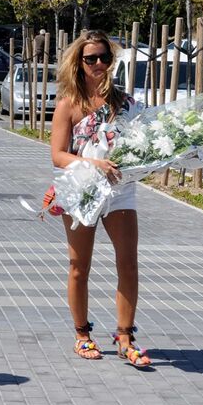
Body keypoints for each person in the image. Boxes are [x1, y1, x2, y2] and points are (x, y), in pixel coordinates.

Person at [50, 30, 151, 367]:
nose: (98, 64)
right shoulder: (68, 104)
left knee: (129, 262)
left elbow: (141, 144)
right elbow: (57, 156)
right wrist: (91, 162)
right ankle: (82, 334)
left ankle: (125, 336)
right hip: (82, 191)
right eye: (90, 58)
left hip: (119, 190)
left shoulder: (125, 103)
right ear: (78, 62)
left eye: (104, 57)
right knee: (80, 266)